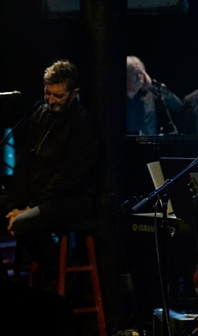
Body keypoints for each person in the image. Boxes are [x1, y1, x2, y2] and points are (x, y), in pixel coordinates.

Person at [2, 60, 102, 289]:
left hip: (72, 199)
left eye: (58, 95)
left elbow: (69, 177)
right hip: (41, 196)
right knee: (9, 214)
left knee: (23, 225)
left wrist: (30, 207)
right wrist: (16, 205)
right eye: (47, 93)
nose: (50, 100)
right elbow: (25, 162)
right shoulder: (40, 114)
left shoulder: (83, 124)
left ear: (74, 93)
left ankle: (60, 275)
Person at [126, 56, 182, 136]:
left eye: (141, 73)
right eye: (134, 74)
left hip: (148, 146)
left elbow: (176, 105)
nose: (139, 78)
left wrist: (152, 86)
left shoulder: (149, 96)